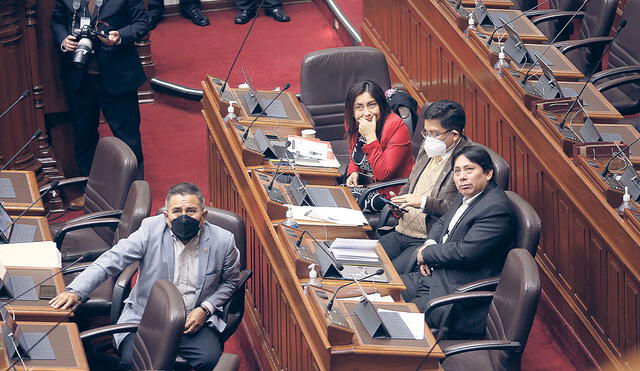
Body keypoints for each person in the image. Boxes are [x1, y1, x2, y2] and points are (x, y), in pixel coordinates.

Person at [50, 183, 241, 371]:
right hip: (148, 318)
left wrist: (205, 309)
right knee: (131, 362)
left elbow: (230, 282)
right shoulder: (150, 230)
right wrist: (76, 291)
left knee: (210, 361)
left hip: (194, 319)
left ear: (203, 215)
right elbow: (111, 259)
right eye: (176, 211)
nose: (183, 217)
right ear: (166, 216)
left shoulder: (223, 241)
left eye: (191, 211)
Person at [400, 146, 516, 331]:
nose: (462, 177)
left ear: (487, 173)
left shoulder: (495, 209)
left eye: (469, 169)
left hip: (452, 290)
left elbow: (465, 252)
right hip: (432, 274)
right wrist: (429, 245)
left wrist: (427, 254)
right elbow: (442, 223)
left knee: (397, 321)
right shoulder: (469, 194)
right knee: (383, 291)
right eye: (457, 171)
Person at [51, 0, 148, 181]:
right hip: (79, 78)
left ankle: (135, 191)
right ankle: (91, 189)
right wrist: (64, 39)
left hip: (117, 76)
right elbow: (56, 21)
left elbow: (141, 23)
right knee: (84, 136)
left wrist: (120, 36)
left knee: (128, 137)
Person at [379, 100, 469, 273]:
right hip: (401, 230)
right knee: (365, 262)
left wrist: (423, 202)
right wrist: (398, 202)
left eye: (434, 133)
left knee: (388, 276)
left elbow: (461, 212)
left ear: (455, 135)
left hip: (425, 239)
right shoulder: (429, 146)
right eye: (426, 132)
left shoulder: (467, 163)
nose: (428, 138)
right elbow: (411, 182)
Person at [344, 80, 414, 213]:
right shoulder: (354, 121)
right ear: (352, 111)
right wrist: (352, 171)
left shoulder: (396, 127)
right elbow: (353, 152)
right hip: (365, 184)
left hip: (389, 193)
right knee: (331, 194)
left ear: (381, 105)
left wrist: (370, 137)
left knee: (342, 205)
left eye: (371, 105)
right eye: (359, 107)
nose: (366, 113)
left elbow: (384, 174)